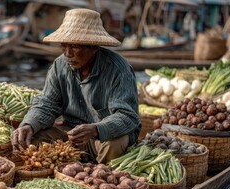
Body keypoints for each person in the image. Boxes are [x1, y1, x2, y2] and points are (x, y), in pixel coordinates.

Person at [11, 8, 141, 164]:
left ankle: (102, 175)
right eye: (63, 46)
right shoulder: (60, 65)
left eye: (74, 46)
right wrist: (29, 125)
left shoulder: (118, 69)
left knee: (114, 142)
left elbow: (127, 116)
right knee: (32, 138)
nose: (67, 53)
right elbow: (46, 104)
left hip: (103, 137)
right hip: (71, 134)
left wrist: (96, 129)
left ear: (93, 47)